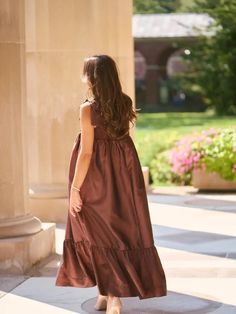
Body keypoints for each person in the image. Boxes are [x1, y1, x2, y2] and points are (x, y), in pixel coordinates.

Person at [55, 55, 167, 313]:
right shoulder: (124, 102)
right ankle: (105, 292)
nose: (82, 78)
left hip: (95, 178)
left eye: (85, 73)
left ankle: (114, 297)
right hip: (124, 178)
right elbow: (121, 142)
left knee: (93, 232)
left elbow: (87, 152)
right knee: (115, 231)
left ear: (91, 78)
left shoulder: (88, 108)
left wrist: (75, 189)